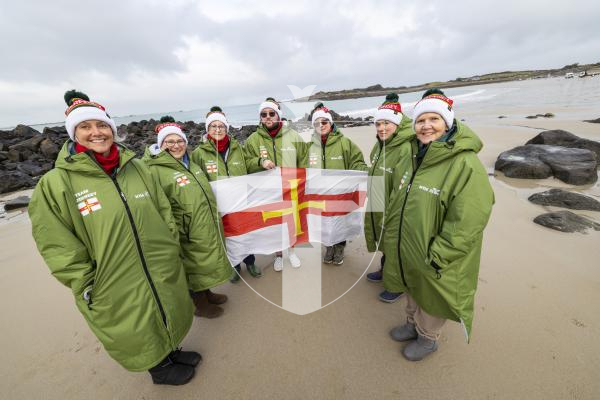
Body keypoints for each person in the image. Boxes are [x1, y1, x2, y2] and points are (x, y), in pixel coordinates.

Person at [29, 91, 200, 385]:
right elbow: (56, 242)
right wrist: (85, 281)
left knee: (165, 303)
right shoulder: (56, 183)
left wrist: (170, 245)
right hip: (111, 274)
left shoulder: (136, 167)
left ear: (112, 129)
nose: (96, 132)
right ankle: (159, 367)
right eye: (86, 127)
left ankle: (171, 350)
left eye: (102, 125)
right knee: (135, 321)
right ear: (74, 133)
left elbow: (162, 208)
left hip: (159, 260)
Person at [382, 93, 494, 361]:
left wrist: (439, 255)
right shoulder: (411, 155)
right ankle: (412, 324)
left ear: (448, 123)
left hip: (437, 253)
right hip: (409, 244)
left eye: (434, 119)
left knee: (431, 295)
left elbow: (469, 219)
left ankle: (428, 337)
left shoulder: (464, 163)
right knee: (411, 286)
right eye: (421, 120)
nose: (426, 125)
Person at [142, 116, 231, 319]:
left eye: (180, 141)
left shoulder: (190, 163)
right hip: (184, 229)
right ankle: (199, 304)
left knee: (201, 263)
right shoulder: (154, 170)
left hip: (203, 222)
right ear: (161, 144)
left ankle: (206, 293)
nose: (176, 146)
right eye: (170, 142)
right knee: (190, 265)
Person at [191, 106, 261, 282]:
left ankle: (250, 262)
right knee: (228, 236)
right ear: (207, 129)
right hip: (220, 205)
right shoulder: (199, 153)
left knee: (244, 234)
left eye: (221, 126)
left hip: (241, 201)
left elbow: (249, 165)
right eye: (213, 126)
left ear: (226, 128)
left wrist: (261, 162)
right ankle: (234, 266)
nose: (217, 129)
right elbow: (196, 178)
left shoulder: (237, 147)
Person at [244, 97, 307, 271]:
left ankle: (292, 253)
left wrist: (302, 183)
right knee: (275, 225)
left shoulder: (293, 136)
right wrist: (259, 161)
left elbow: (304, 161)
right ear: (260, 118)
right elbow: (246, 164)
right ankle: (278, 255)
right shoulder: (252, 140)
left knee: (291, 222)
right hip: (268, 192)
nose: (268, 117)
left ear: (278, 115)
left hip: (291, 189)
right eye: (264, 114)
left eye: (272, 113)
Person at [363, 94, 413, 303]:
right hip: (377, 201)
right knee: (385, 243)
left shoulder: (404, 148)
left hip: (392, 207)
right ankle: (385, 271)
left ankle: (396, 285)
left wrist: (390, 211)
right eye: (379, 123)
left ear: (398, 124)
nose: (382, 128)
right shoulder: (380, 144)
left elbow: (401, 186)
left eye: (387, 123)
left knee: (394, 245)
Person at [304, 103, 368, 264]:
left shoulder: (345, 143)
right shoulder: (309, 147)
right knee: (324, 223)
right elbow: (300, 168)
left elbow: (358, 162)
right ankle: (329, 247)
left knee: (340, 222)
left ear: (331, 123)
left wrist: (359, 173)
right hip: (320, 195)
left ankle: (339, 247)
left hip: (341, 194)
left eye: (324, 122)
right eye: (317, 123)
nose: (321, 126)